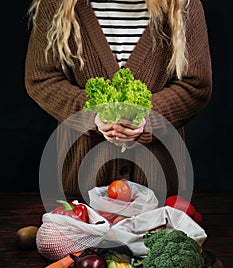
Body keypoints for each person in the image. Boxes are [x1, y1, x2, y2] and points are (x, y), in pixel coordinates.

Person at [25, 0, 212, 203]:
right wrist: (94, 114)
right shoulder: (57, 4)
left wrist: (145, 118)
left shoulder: (182, 4)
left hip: (157, 184)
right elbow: (41, 78)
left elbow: (195, 85)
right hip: (79, 184)